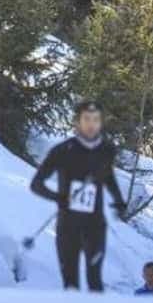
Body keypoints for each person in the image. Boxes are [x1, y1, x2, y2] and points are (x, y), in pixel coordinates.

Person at [30, 101, 128, 292]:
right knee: (71, 284)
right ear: (77, 122)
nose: (91, 124)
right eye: (86, 119)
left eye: (96, 120)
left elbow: (107, 176)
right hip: (68, 226)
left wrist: (118, 201)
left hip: (95, 225)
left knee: (95, 282)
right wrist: (59, 197)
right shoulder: (62, 151)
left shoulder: (106, 151)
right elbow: (36, 184)